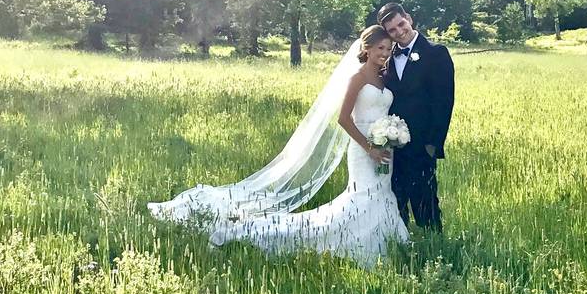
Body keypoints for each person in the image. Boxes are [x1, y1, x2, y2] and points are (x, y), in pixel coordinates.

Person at [148, 25, 409, 267]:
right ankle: (263, 232)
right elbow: (343, 119)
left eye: (387, 49)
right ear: (366, 49)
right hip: (363, 150)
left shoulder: (384, 79)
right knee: (361, 197)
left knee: (381, 194)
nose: (384, 54)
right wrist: (369, 148)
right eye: (379, 49)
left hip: (383, 148)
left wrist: (390, 134)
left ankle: (389, 240)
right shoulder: (357, 78)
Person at [377, 2, 455, 232]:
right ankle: (402, 243)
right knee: (396, 199)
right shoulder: (386, 59)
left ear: (409, 18)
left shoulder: (436, 53)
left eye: (401, 24)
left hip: (423, 145)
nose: (399, 31)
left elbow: (444, 103)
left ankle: (433, 246)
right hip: (393, 146)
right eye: (392, 30)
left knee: (425, 202)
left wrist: (433, 145)